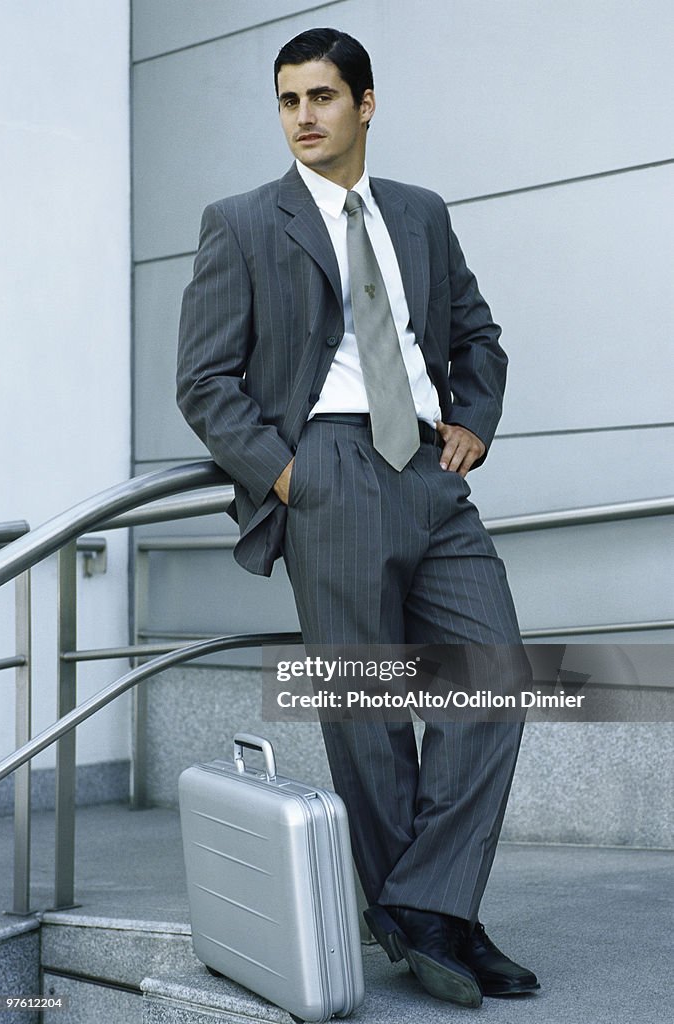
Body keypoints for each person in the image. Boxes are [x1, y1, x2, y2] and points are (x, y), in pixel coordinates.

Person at [177, 27, 539, 1009]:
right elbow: (204, 379)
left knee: (493, 676)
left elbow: (476, 335)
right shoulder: (244, 222)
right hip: (328, 465)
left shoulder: (418, 214)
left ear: (364, 104)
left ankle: (421, 906)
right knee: (368, 712)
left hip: (428, 467)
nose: (302, 116)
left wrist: (472, 416)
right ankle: (434, 921)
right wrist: (287, 477)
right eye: (287, 99)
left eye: (322, 97)